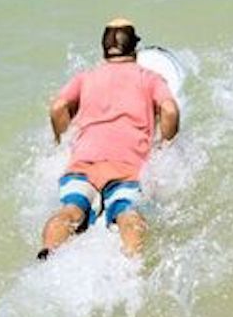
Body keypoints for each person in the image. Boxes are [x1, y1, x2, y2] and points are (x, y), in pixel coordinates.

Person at [39, 17, 179, 260]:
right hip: (126, 169)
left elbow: (58, 107)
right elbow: (170, 110)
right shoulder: (149, 78)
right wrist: (165, 145)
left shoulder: (85, 77)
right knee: (127, 214)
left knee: (70, 210)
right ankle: (132, 263)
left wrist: (61, 140)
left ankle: (47, 253)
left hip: (83, 165)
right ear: (134, 48)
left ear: (104, 49)